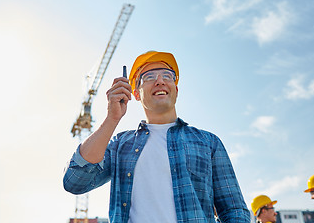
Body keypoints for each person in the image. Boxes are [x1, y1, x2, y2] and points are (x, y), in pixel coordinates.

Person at [63, 51, 250, 223]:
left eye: (167, 76)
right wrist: (112, 119)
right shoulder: (120, 145)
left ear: (176, 90)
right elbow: (75, 181)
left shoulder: (209, 143)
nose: (160, 81)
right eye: (149, 77)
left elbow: (234, 211)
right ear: (135, 93)